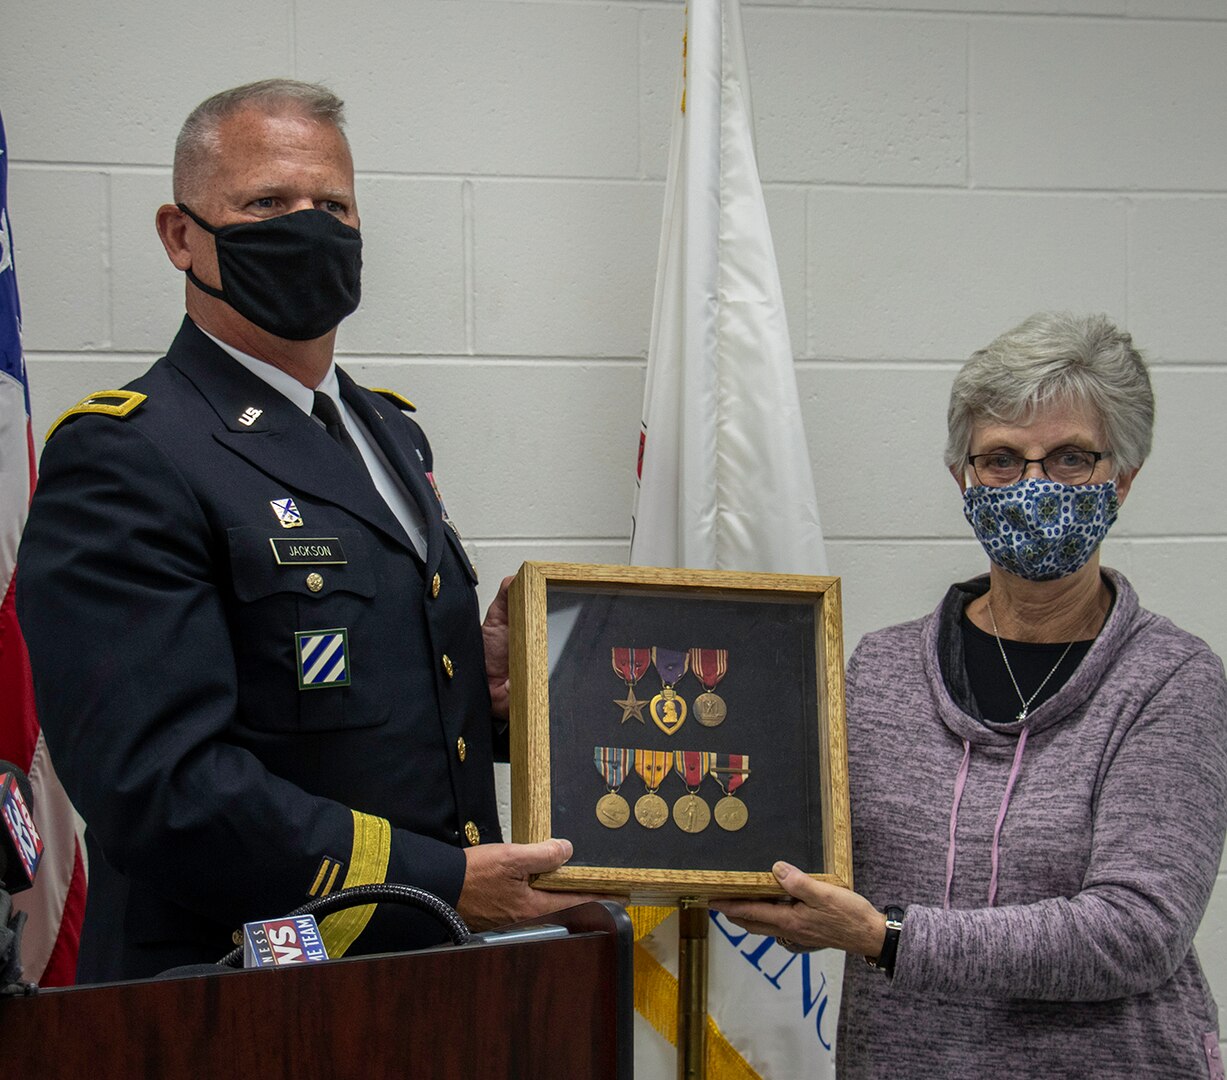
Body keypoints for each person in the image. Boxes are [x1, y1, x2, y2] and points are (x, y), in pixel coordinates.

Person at [16, 79, 580, 982]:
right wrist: (436, 881)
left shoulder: (389, 431)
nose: (308, 226)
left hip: (432, 972)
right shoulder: (128, 455)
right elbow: (159, 786)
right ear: (180, 235)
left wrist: (484, 689)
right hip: (238, 988)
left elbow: (338, 696)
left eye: (333, 205)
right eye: (267, 203)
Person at [714, 312, 1227, 1078]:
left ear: (1120, 480)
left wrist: (888, 936)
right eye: (1000, 460)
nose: (1032, 485)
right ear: (962, 477)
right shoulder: (879, 668)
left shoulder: (1169, 681)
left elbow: (1134, 934)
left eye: (1068, 459)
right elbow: (802, 844)